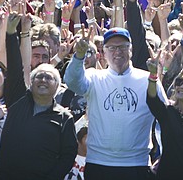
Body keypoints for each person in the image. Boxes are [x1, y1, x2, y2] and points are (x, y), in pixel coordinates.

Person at [64, 26, 160, 180]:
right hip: (98, 163)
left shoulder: (147, 79)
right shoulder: (94, 77)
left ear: (131, 50)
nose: (118, 51)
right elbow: (72, 82)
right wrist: (79, 56)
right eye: (112, 47)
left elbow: (164, 114)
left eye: (123, 46)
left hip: (136, 164)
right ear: (104, 52)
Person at [0, 64, 78, 179]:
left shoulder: (65, 118)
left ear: (57, 86)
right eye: (39, 76)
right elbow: (15, 64)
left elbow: (68, 155)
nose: (43, 80)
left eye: (49, 78)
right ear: (31, 82)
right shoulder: (17, 103)